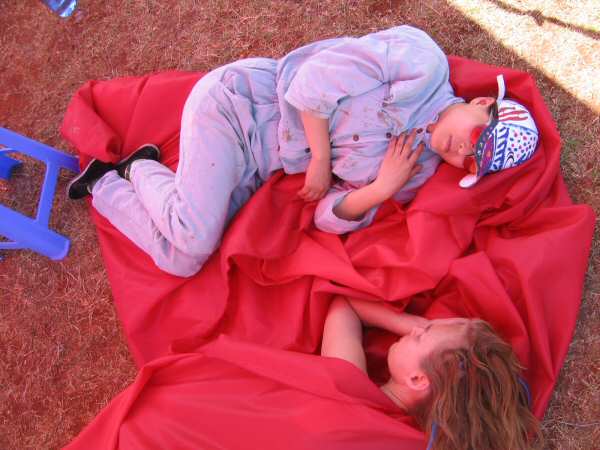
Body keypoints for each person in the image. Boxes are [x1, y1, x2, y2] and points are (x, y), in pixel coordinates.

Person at [66, 25, 539, 277]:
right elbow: (313, 82)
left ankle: (113, 179)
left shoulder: (415, 171)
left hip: (257, 161)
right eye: (478, 136)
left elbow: (326, 217)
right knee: (191, 237)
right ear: (480, 104)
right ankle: (137, 171)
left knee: (182, 259)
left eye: (471, 162)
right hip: (240, 107)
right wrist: (321, 159)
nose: (461, 151)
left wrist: (379, 191)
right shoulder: (422, 64)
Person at [321, 296, 540, 450]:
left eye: (419, 336)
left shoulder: (349, 389)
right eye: (420, 327)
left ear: (417, 379)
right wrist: (427, 331)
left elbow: (345, 304)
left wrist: (409, 322)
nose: (414, 330)